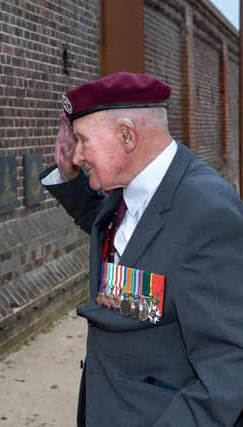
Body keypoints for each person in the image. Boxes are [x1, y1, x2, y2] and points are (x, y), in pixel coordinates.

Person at [40, 72, 243, 426]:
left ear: (126, 135)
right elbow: (121, 239)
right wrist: (69, 177)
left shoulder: (206, 212)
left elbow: (229, 369)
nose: (79, 153)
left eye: (84, 140)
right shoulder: (128, 193)